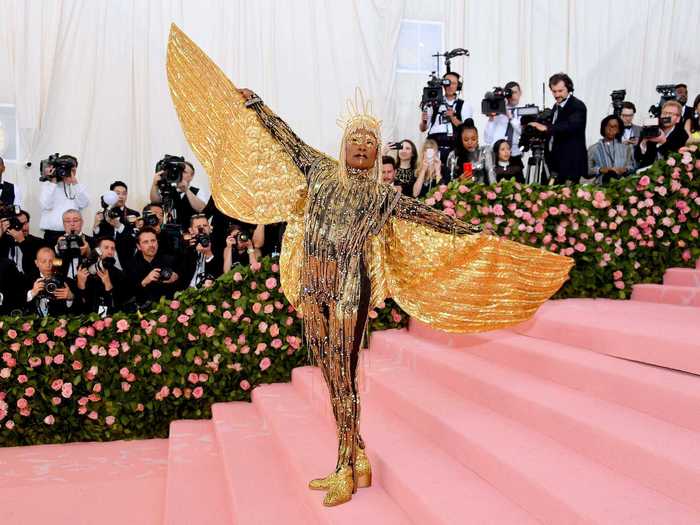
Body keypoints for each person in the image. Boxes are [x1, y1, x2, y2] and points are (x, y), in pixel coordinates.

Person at [167, 25, 573, 508]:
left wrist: (472, 234)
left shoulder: (381, 196)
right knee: (329, 373)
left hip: (348, 287)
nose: (360, 147)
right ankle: (355, 452)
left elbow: (429, 217)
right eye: (354, 140)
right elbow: (287, 140)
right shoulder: (318, 172)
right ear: (343, 145)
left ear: (376, 149)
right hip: (311, 281)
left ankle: (344, 462)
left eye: (368, 142)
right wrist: (257, 106)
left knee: (345, 369)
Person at [529, 73, 587, 184]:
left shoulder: (577, 106)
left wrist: (545, 127)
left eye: (560, 91)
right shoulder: (556, 106)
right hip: (554, 163)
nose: (557, 95)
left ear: (569, 89)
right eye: (554, 91)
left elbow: (570, 126)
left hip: (570, 165)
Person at [419, 72, 473, 163]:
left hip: (454, 144)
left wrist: (453, 118)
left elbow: (468, 129)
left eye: (454, 83)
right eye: (447, 83)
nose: (450, 86)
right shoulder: (433, 102)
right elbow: (423, 128)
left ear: (458, 86)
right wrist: (423, 121)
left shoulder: (464, 105)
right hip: (434, 143)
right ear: (443, 84)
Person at [38, 155, 90, 245]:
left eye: (72, 170)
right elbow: (46, 205)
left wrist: (74, 183)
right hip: (52, 235)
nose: (68, 172)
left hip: (73, 233)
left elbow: (83, 204)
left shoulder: (78, 186)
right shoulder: (48, 186)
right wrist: (53, 181)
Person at [125, 227, 180, 306]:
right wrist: (144, 282)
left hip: (169, 308)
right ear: (138, 246)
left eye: (153, 241)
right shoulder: (130, 266)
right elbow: (128, 294)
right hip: (143, 310)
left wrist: (176, 277)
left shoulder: (170, 260)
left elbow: (183, 284)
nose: (151, 245)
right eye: (146, 242)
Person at [75, 237, 127, 315]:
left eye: (112, 249)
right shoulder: (84, 270)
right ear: (97, 251)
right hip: (87, 318)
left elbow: (119, 304)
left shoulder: (119, 274)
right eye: (106, 248)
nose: (110, 252)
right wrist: (81, 285)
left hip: (109, 319)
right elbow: (79, 305)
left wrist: (108, 285)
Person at [149, 160, 208, 228]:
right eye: (179, 171)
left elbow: (201, 208)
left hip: (190, 231)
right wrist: (154, 185)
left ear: (191, 176)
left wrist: (186, 190)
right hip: (169, 230)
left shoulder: (197, 191)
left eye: (184, 172)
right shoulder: (167, 189)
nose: (181, 174)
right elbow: (155, 202)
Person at [635, 100, 689, 169]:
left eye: (671, 114)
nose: (667, 116)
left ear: (678, 119)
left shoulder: (682, 135)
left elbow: (675, 159)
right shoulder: (652, 128)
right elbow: (637, 157)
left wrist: (663, 141)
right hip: (645, 170)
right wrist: (643, 143)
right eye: (664, 113)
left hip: (668, 172)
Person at [0, 209, 48, 286]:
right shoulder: (2, 241)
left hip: (31, 284)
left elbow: (37, 267)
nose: (24, 227)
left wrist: (23, 242)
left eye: (26, 223)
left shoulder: (39, 242)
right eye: (19, 224)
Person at [25, 246, 77, 317]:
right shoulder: (26, 280)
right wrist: (32, 293)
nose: (48, 265)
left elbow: (76, 311)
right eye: (43, 261)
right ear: (36, 263)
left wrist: (70, 298)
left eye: (51, 261)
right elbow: (18, 304)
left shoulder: (66, 281)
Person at [483, 81, 524, 167]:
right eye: (510, 93)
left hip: (515, 154)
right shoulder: (497, 111)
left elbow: (522, 132)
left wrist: (510, 117)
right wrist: (491, 118)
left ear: (520, 93)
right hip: (498, 157)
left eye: (515, 92)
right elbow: (487, 139)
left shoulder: (524, 111)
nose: (512, 96)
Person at [586, 115, 635, 184]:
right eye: (609, 126)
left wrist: (625, 169)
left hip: (622, 186)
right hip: (601, 188)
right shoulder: (593, 149)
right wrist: (600, 169)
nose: (611, 129)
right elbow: (586, 171)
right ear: (604, 127)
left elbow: (632, 167)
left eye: (615, 127)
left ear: (618, 130)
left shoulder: (626, 148)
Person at [445, 119, 494, 183]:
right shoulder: (453, 155)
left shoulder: (484, 152)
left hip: (482, 190)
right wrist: (459, 179)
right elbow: (448, 182)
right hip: (460, 191)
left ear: (477, 139)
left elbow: (491, 175)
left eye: (473, 139)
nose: (470, 142)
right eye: (466, 140)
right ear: (461, 140)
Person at [181, 214, 223, 288]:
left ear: (210, 228)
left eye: (205, 226)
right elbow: (182, 274)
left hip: (208, 290)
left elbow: (220, 273)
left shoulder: (218, 245)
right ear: (191, 230)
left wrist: (209, 254)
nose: (202, 229)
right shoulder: (186, 247)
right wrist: (188, 248)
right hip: (188, 290)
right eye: (198, 227)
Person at [55, 209, 93, 280]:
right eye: (68, 221)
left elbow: (96, 265)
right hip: (64, 281)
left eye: (75, 221)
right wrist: (58, 251)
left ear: (82, 222)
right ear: (63, 224)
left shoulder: (91, 241)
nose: (72, 224)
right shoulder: (55, 241)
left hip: (87, 281)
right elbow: (54, 265)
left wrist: (88, 253)